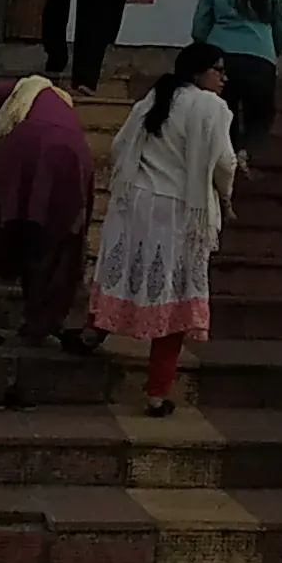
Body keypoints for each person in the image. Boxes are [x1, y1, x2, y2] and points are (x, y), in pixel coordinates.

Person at [84, 40, 239, 416]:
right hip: (180, 212)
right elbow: (225, 163)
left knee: (122, 273)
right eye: (218, 69)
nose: (224, 78)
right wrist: (227, 197)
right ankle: (156, 393)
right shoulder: (211, 108)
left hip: (136, 203)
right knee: (175, 300)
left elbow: (121, 146)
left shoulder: (155, 99)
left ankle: (94, 331)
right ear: (199, 71)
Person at [0, 71, 95, 368]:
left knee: (5, 225)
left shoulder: (26, 88)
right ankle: (41, 320)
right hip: (73, 158)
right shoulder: (67, 114)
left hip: (21, 149)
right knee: (58, 242)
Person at [189, 0, 282, 157]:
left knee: (224, 113)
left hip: (220, 60)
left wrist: (207, 52)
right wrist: (271, 51)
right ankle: (247, 152)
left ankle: (226, 155)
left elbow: (199, 29)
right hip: (260, 61)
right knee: (261, 114)